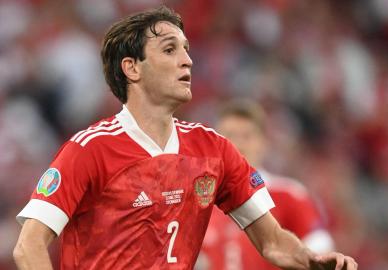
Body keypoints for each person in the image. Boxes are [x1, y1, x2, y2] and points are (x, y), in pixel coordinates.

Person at [13, 6, 357, 270]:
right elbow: (28, 247)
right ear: (132, 68)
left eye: (187, 49)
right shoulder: (89, 150)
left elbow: (274, 244)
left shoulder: (214, 150)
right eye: (169, 50)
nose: (187, 60)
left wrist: (311, 261)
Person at [196, 100, 335, 270]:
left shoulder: (289, 195)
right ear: (217, 145)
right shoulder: (200, 201)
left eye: (247, 136)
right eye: (230, 136)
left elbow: (321, 253)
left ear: (263, 143)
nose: (238, 144)